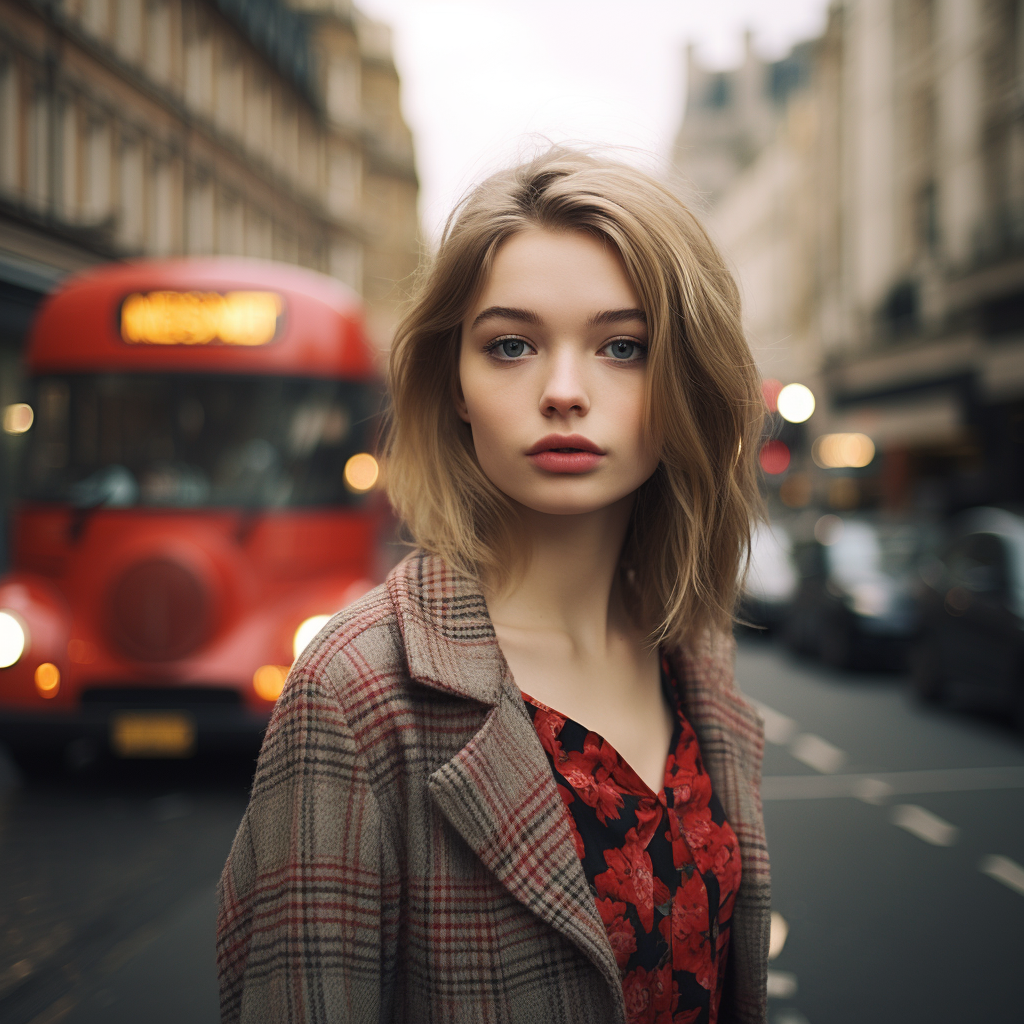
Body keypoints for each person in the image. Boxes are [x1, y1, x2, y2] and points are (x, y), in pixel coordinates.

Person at [216, 148, 770, 1024]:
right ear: (457, 386)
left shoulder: (693, 656)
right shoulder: (357, 691)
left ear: (687, 382)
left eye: (623, 347)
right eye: (510, 345)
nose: (562, 392)